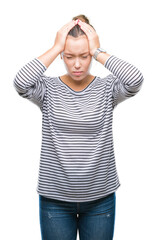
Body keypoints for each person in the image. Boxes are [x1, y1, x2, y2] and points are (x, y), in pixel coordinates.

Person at [13, 14, 144, 240]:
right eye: (69, 56)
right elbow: (20, 82)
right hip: (54, 201)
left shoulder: (107, 88)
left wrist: (98, 51)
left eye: (84, 56)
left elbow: (135, 79)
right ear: (62, 55)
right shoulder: (47, 89)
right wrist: (55, 47)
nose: (76, 64)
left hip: (100, 199)